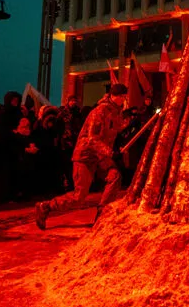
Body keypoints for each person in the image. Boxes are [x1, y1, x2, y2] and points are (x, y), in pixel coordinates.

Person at [35, 84, 128, 229]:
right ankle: (46, 207)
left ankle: (102, 212)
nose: (122, 99)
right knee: (79, 196)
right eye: (119, 96)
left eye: (124, 96)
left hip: (100, 155)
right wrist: (110, 153)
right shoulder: (100, 111)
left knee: (115, 176)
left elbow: (114, 131)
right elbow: (92, 138)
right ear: (112, 96)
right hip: (85, 155)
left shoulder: (117, 112)